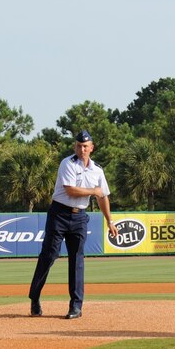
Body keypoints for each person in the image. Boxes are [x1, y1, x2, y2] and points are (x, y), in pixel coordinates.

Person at [28, 130, 118, 319]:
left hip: (79, 217)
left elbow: (103, 197)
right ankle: (34, 298)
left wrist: (109, 221)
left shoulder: (97, 170)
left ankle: (76, 306)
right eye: (78, 145)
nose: (82, 149)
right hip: (59, 214)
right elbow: (70, 190)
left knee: (77, 260)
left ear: (92, 148)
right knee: (49, 256)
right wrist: (93, 190)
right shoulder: (67, 163)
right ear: (74, 147)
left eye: (85, 146)